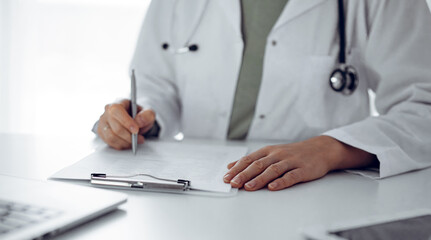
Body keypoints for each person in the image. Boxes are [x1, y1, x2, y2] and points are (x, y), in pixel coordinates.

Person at [96, 0, 431, 191]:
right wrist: (137, 118)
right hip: (192, 191)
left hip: (313, 192)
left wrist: (331, 148)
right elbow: (158, 82)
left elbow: (423, 106)